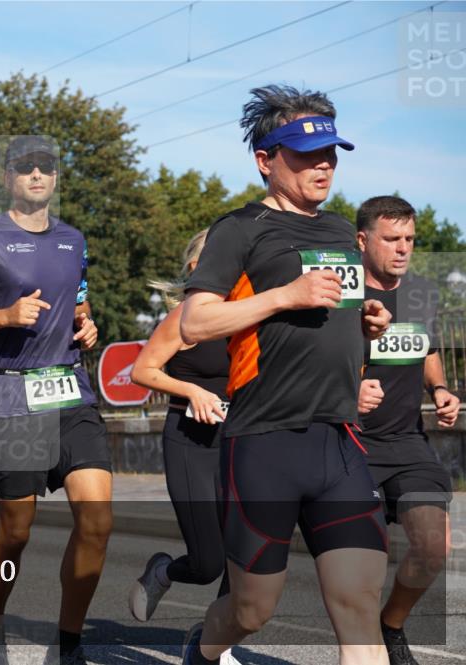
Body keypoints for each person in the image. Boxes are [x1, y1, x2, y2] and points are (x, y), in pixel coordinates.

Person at [178, 86, 392, 665]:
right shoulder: (240, 230)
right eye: (304, 154)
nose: (322, 164)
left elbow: (326, 319)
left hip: (340, 443)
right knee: (253, 609)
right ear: (265, 160)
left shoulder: (341, 228)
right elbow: (196, 322)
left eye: (330, 152)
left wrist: (364, 320)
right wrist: (284, 295)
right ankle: (203, 652)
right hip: (264, 442)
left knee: (359, 608)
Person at [0, 136, 108, 665]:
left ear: (56, 177)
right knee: (15, 531)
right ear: (9, 177)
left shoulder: (73, 240)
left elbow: (78, 303)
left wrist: (87, 326)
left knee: (98, 520)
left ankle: (68, 645)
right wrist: (4, 316)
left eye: (46, 167)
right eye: (26, 167)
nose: (37, 174)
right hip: (12, 394)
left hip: (70, 389)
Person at [355, 195, 458, 665]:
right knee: (363, 567)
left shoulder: (420, 292)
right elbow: (306, 364)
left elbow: (427, 347)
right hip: (347, 446)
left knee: (433, 546)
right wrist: (349, 388)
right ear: (363, 241)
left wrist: (439, 388)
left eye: (410, 240)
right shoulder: (338, 295)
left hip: (405, 442)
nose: (403, 249)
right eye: (391, 239)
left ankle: (391, 625)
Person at [129, 230, 239, 665]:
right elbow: (142, 370)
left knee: (245, 556)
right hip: (190, 441)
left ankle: (216, 644)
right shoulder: (183, 319)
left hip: (241, 441)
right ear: (197, 268)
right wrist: (191, 391)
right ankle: (163, 572)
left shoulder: (245, 317)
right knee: (208, 562)